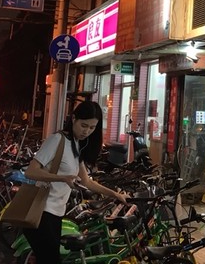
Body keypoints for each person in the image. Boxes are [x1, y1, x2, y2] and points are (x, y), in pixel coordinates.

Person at [23, 101, 127, 264]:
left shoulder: (76, 145)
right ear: (73, 119)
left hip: (56, 214)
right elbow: (31, 171)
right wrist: (62, 178)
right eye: (84, 125)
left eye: (92, 128)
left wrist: (115, 195)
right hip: (41, 212)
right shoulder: (57, 140)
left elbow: (86, 181)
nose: (87, 131)